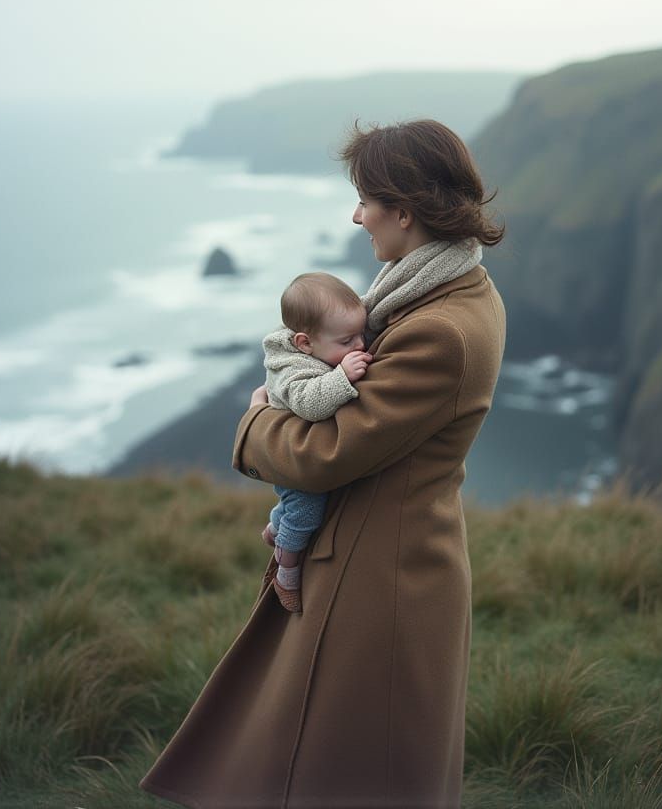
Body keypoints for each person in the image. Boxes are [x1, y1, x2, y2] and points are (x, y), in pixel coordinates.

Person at [140, 118, 506, 809]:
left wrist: (254, 421)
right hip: (374, 561)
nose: (357, 214)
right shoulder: (429, 288)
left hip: (381, 585)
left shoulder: (439, 330)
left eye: (367, 199)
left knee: (351, 776)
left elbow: (326, 453)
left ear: (405, 209)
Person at [260, 271, 372, 613]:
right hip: (294, 461)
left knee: (293, 506)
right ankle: (287, 569)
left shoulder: (315, 349)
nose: (360, 346)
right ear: (304, 344)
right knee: (306, 509)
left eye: (361, 335)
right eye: (347, 341)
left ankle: (275, 527)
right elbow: (310, 403)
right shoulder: (293, 369)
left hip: (299, 452)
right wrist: (342, 378)